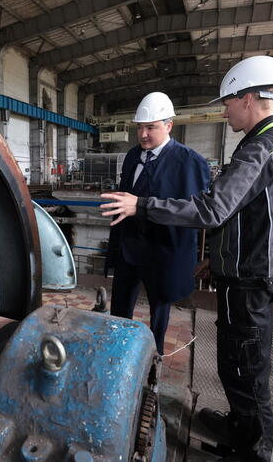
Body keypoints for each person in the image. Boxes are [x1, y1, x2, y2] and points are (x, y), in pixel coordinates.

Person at [100, 55, 273, 462]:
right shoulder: (268, 144)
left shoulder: (260, 148)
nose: (223, 109)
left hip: (249, 275)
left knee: (247, 369)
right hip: (240, 267)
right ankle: (239, 429)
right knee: (235, 362)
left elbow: (211, 209)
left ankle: (254, 451)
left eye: (227, 101)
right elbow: (248, 215)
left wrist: (142, 206)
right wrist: (220, 258)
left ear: (247, 98)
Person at [103, 92, 210, 356]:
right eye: (139, 127)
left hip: (163, 252)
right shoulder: (131, 157)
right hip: (129, 249)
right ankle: (118, 354)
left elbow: (194, 213)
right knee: (120, 311)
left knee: (159, 314)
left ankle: (155, 359)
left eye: (151, 127)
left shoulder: (190, 163)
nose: (143, 134)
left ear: (168, 126)